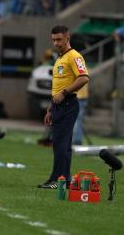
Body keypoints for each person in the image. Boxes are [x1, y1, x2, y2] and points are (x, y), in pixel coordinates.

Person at [38, 25, 89, 189]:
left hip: (68, 104)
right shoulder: (59, 58)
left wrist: (65, 93)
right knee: (59, 144)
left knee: (62, 144)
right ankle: (62, 179)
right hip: (58, 105)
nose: (56, 43)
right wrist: (50, 108)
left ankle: (59, 180)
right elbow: (57, 87)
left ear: (67, 38)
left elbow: (84, 78)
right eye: (53, 40)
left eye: (59, 39)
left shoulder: (74, 56)